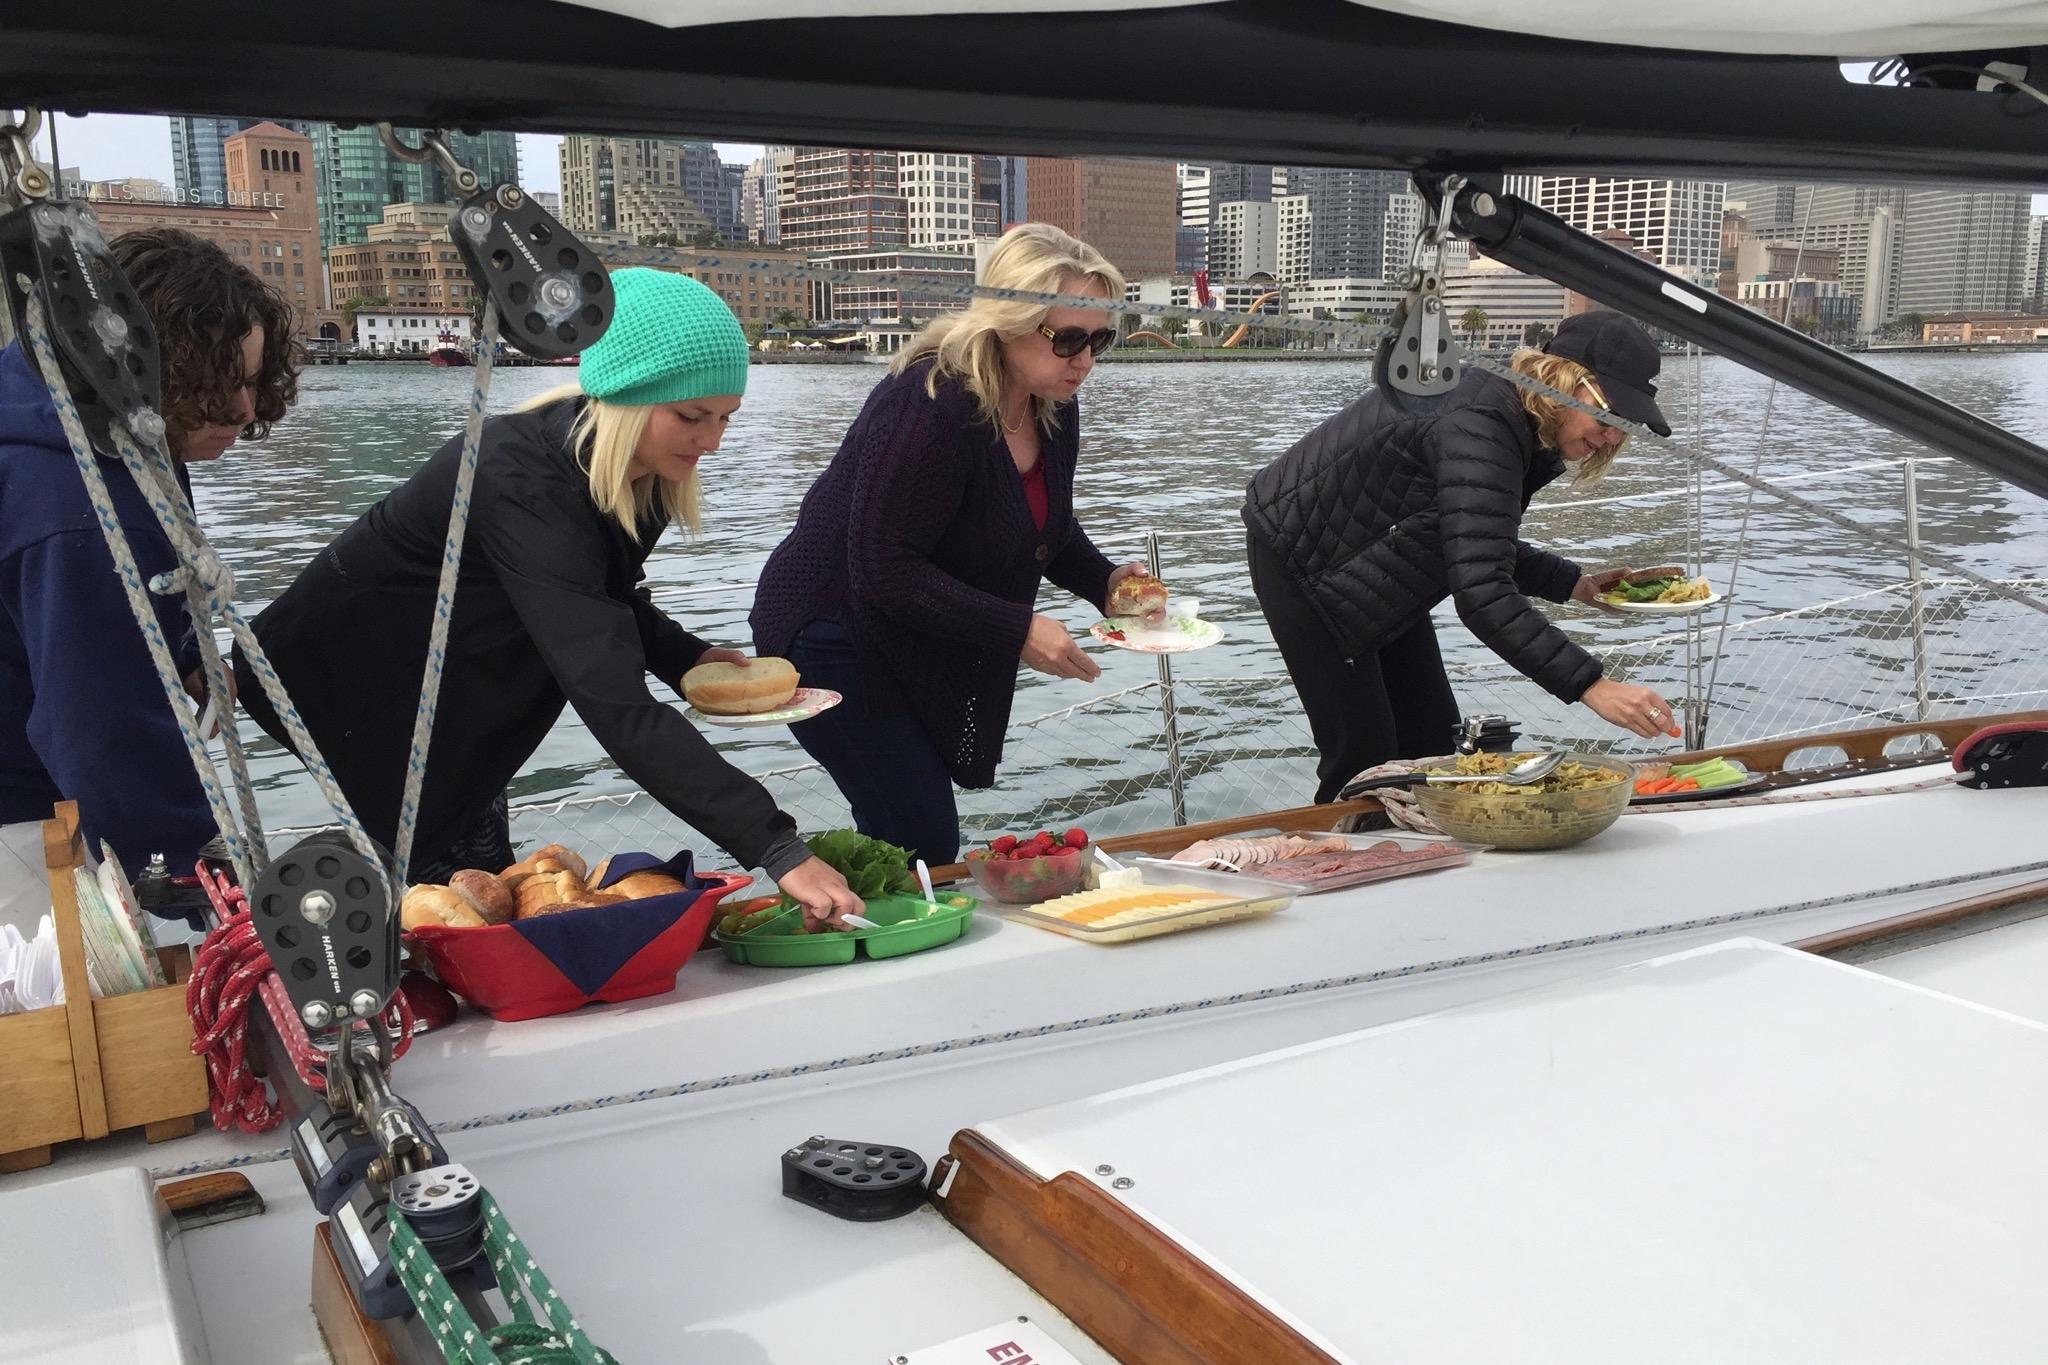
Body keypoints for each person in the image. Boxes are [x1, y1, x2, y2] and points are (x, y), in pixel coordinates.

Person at [236, 269, 861, 924]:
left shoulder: (632, 472)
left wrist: (690, 657)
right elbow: (613, 700)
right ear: (625, 397)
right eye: (691, 416)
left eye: (726, 418)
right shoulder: (527, 482)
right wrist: (779, 847)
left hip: (453, 689)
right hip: (345, 685)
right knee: (432, 905)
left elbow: (604, 597)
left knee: (482, 886)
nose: (713, 441)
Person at [751, 223, 1151, 867]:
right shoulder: (930, 403)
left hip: (906, 629)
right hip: (828, 635)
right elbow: (884, 567)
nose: (1086, 359)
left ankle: (858, 924)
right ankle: (842, 928)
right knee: (923, 836)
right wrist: (1017, 628)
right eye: (1069, 339)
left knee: (911, 828)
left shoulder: (1050, 404)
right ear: (1006, 321)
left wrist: (1107, 584)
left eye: (1100, 339)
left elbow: (1044, 529)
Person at [1241, 311, 1680, 803]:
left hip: (1376, 560)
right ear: (1562, 383)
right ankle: (1342, 864)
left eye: (1627, 425)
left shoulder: (1515, 420)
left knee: (1431, 743)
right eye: (1608, 417)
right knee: (1363, 762)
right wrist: (1594, 686)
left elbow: (1472, 537)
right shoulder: (1481, 424)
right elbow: (1482, 593)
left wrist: (1575, 584)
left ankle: (1415, 858)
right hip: (1304, 562)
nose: (1614, 436)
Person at [0, 228, 297, 927]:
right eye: (224, 384)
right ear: (148, 370)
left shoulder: (86, 414)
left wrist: (183, 650)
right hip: (19, 820)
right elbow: (101, 733)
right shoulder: (82, 508)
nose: (246, 410)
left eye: (252, 379)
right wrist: (213, 886)